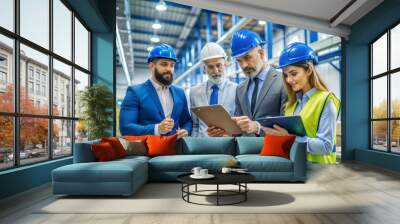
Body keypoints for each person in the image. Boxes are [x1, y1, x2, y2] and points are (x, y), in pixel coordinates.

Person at [262, 42, 340, 164]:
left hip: (319, 171)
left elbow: (326, 146)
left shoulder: (326, 100)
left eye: (293, 73)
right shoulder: (291, 105)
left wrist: (289, 138)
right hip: (294, 168)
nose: (289, 80)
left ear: (308, 70)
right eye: (286, 75)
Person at [211, 29, 287, 136]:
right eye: (239, 61)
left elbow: (287, 129)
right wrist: (224, 133)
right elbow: (239, 129)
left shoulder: (283, 81)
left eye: (247, 57)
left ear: (261, 53)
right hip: (246, 151)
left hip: (273, 150)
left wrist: (258, 128)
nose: (243, 65)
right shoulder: (240, 89)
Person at [119, 43, 192, 138]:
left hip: (175, 149)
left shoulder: (180, 93)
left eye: (172, 65)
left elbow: (187, 121)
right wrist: (157, 129)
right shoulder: (135, 92)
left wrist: (186, 130)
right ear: (151, 66)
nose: (169, 69)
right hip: (148, 150)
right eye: (164, 64)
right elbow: (126, 128)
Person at [189, 42, 237, 137]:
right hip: (203, 146)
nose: (215, 71)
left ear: (225, 63)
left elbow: (240, 125)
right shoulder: (194, 92)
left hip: (228, 146)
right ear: (204, 68)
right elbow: (195, 125)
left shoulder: (237, 90)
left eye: (219, 65)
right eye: (210, 67)